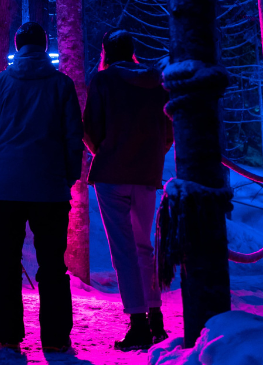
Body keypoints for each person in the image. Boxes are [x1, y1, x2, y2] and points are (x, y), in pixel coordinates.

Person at [0, 22, 83, 353]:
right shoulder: (61, 85)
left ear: (17, 45)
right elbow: (72, 138)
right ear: (45, 44)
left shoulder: (0, 84)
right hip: (50, 189)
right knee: (53, 263)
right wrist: (67, 177)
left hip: (9, 188)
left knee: (5, 260)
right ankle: (55, 337)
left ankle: (8, 334)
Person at [83, 29, 173, 351]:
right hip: (147, 174)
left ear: (106, 51)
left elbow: (90, 128)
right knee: (143, 246)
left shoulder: (103, 81)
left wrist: (105, 152)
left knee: (123, 249)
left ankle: (137, 324)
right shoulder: (157, 83)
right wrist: (150, 157)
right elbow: (168, 131)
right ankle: (156, 317)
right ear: (133, 50)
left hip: (112, 174)